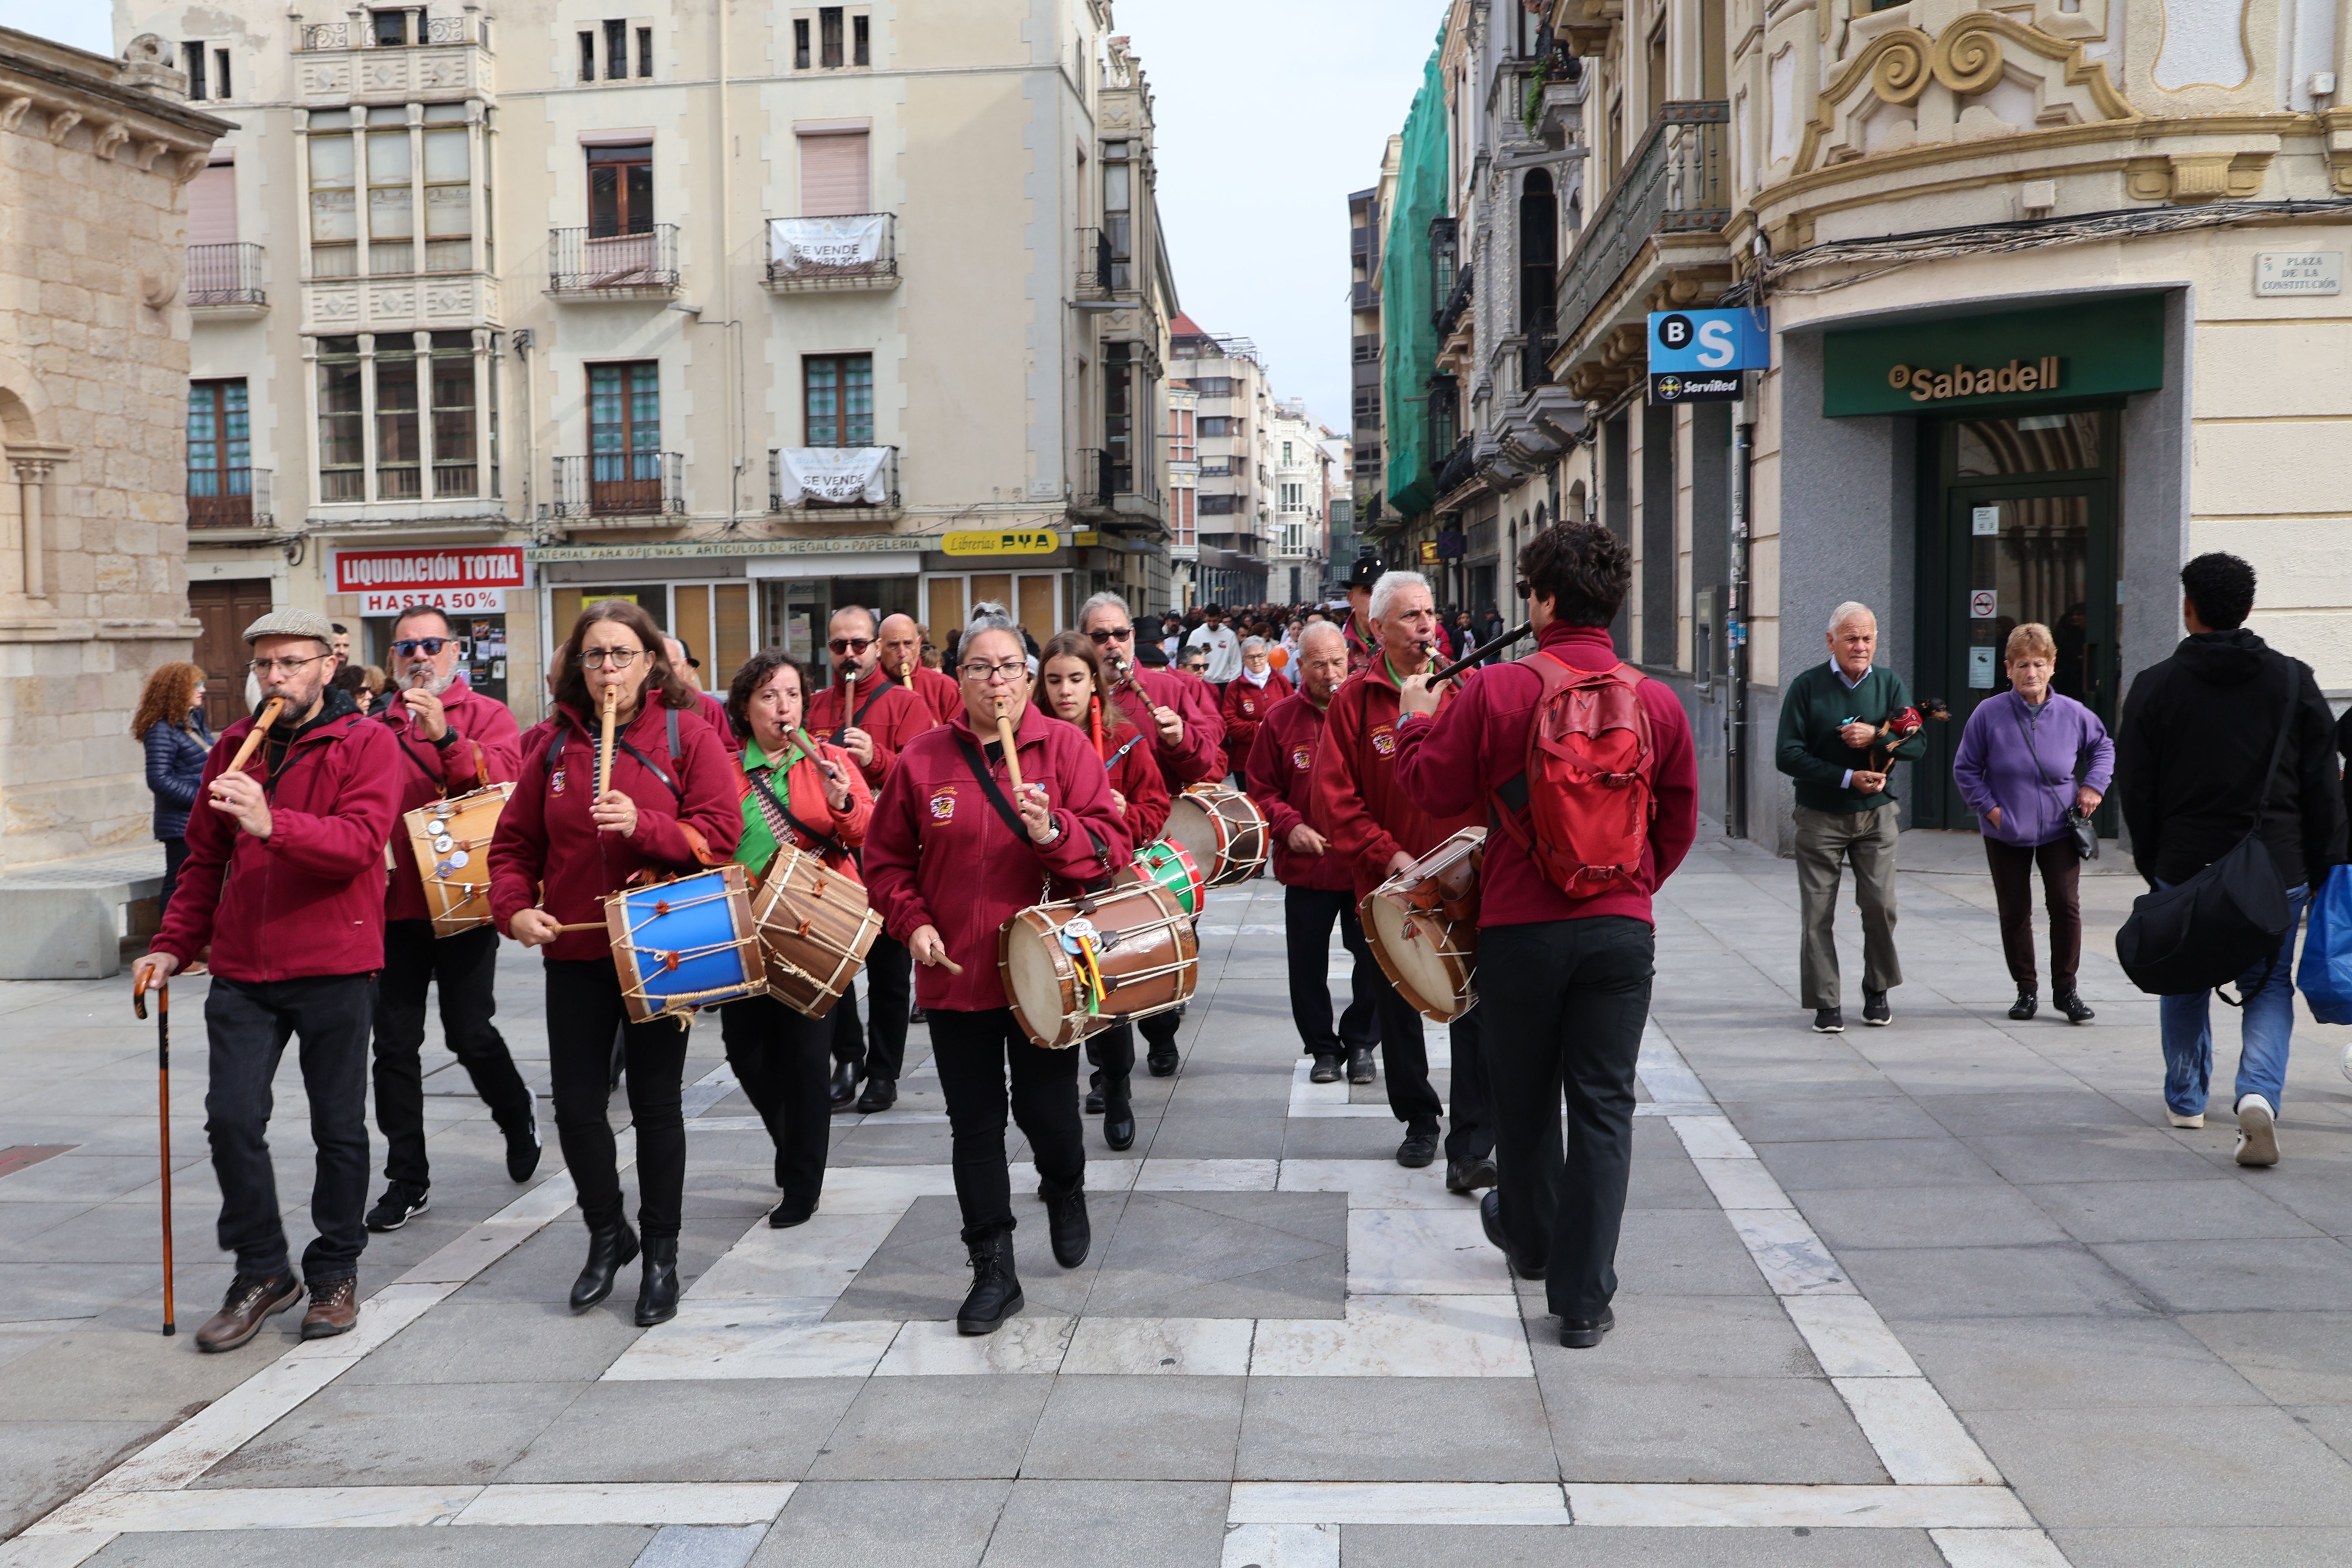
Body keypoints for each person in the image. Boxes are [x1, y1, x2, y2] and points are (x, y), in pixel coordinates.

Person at [1395, 520, 1698, 1348]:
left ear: (1544, 599)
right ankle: (1586, 1298)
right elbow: (1677, 823)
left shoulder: (1496, 691)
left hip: (1522, 926)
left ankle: (1529, 1241)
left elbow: (1430, 788)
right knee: (1605, 1107)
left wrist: (1417, 717)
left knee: (1525, 1101)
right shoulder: (1659, 699)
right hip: (1620, 931)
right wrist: (1625, 887)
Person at [132, 608, 403, 1352]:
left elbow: (357, 844)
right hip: (245, 970)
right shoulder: (231, 746)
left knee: (337, 1129)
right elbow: (202, 862)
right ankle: (261, 1269)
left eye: (290, 664)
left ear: (326, 667)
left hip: (337, 964)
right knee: (230, 1119)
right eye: (264, 667)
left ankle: (335, 1271)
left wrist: (271, 822)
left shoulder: (367, 742)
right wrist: (171, 945)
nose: (275, 679)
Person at [863, 615, 1130, 1335]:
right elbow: (884, 861)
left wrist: (1054, 832)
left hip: (1045, 971)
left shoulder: (1066, 749)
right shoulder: (923, 760)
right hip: (956, 974)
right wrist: (912, 920)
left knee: (1047, 1112)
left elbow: (1111, 849)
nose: (997, 681)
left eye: (1010, 666)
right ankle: (992, 1267)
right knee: (974, 1126)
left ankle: (1066, 1186)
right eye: (980, 669)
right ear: (958, 679)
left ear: (1028, 674)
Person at [488, 600, 742, 1326]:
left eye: (621, 655)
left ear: (651, 662)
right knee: (575, 1107)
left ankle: (662, 1253)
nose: (607, 671)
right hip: (574, 946)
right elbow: (512, 848)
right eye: (594, 656)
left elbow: (723, 834)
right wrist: (514, 910)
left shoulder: (687, 734)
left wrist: (647, 826)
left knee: (658, 1107)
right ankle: (609, 1232)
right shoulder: (549, 746)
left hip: (663, 944)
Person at [2118, 552, 2345, 1161]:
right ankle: (2258, 1098)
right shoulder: (2295, 681)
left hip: (2186, 862)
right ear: (2247, 608)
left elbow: (2135, 788)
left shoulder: (2154, 685)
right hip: (2277, 865)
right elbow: (2324, 785)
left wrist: (2153, 862)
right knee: (2270, 982)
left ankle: (2187, 1100)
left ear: (2188, 608)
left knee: (2185, 974)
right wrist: (2323, 866)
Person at [1308, 568, 1496, 1187]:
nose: (1426, 627)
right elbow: (1335, 798)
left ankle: (1472, 1145)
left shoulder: (1465, 687)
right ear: (1376, 628)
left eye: (1430, 614)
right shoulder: (1354, 701)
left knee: (1473, 1009)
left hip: (1462, 883)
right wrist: (1388, 856)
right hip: (1390, 889)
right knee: (1399, 1007)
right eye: (1412, 617)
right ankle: (1419, 1120)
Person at [362, 605, 535, 1236]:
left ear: (455, 653)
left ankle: (516, 1112)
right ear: (391, 661)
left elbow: (504, 791)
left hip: (463, 905)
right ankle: (407, 1178)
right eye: (406, 648)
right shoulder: (373, 725)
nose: (419, 657)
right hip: (393, 910)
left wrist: (443, 739)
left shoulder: (488, 717)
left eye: (432, 645)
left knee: (469, 1032)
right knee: (394, 1048)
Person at [722, 650, 871, 1227]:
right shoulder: (729, 770)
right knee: (747, 1053)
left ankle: (803, 1183)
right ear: (745, 709)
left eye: (791, 695)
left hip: (815, 920)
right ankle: (793, 1144)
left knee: (807, 1059)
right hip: (749, 925)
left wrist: (845, 802)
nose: (783, 707)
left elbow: (867, 831)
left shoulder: (829, 759)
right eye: (768, 696)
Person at [1078, 592, 1226, 1077]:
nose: (1113, 645)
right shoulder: (1071, 694)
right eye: (1100, 636)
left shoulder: (1170, 688)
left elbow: (1209, 763)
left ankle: (1162, 1033)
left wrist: (1180, 739)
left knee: (1163, 948)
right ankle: (1106, 1067)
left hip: (1158, 842)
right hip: (1092, 851)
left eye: (1121, 634)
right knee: (1097, 956)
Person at [1036, 629, 1171, 1151]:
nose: (1065, 691)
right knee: (1053, 1001)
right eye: (1054, 681)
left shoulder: (1127, 738)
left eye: (1076, 678)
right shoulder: (1025, 743)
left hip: (1106, 887)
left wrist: (1121, 817)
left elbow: (1156, 809)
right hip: (1047, 893)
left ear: (1095, 681)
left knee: (1108, 1000)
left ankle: (1115, 1085)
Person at [1773, 602, 1927, 1033]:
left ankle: (1877, 989)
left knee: (1880, 905)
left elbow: (1917, 745)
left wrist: (1879, 735)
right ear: (1831, 641)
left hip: (1876, 817)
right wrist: (1846, 777)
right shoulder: (1808, 687)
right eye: (1851, 638)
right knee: (1818, 913)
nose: (1860, 646)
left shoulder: (1889, 685)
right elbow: (1787, 754)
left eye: (1867, 639)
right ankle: (1826, 1003)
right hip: (1821, 816)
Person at [1951, 622, 2115, 1025]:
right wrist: (1992, 812)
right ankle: (2026, 989)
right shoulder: (1988, 714)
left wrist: (2093, 787)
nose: (2031, 673)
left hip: (2060, 827)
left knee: (2064, 905)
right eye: (2022, 664)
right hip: (2007, 829)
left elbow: (2103, 747)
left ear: (2053, 666)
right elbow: (1966, 769)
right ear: (2007, 668)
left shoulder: (2074, 714)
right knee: (2015, 911)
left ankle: (2067, 990)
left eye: (2039, 664)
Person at [1246, 622, 1384, 1085]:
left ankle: (1362, 1041)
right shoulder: (1281, 719)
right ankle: (1323, 1048)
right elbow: (1261, 789)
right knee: (1307, 965)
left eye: (1338, 662)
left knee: (1374, 959)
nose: (1331, 673)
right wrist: (1290, 825)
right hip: (1307, 867)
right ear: (1300, 665)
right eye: (1319, 664)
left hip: (1363, 865)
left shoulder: (1369, 712)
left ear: (1352, 661)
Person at [808, 606, 931, 1113]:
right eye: (840, 647)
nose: (851, 655)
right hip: (832, 853)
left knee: (888, 971)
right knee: (830, 965)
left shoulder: (906, 703)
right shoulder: (815, 706)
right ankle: (849, 1060)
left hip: (888, 854)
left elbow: (928, 775)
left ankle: (884, 1073)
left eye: (860, 644)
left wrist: (876, 758)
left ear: (878, 647)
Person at [134, 661, 212, 926]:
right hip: (180, 824)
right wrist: (202, 800)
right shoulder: (160, 730)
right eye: (196, 685)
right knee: (179, 884)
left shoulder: (193, 722)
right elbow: (159, 779)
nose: (203, 690)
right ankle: (168, 948)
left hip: (201, 819)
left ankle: (198, 942)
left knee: (202, 884)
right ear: (177, 690)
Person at [1221, 635, 1292, 784]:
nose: (1257, 661)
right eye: (1251, 657)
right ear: (1243, 659)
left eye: (1260, 656)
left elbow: (1293, 714)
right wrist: (1259, 728)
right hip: (1245, 759)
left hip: (1278, 756)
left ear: (1267, 656)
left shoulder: (1281, 681)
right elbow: (1229, 722)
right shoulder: (1235, 687)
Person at [663, 636, 742, 754]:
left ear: (684, 667)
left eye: (673, 665)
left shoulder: (710, 708)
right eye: (660, 665)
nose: (666, 672)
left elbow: (728, 754)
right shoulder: (638, 708)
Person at [880, 611, 962, 723]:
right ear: (879, 648)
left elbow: (964, 735)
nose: (903, 653)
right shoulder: (868, 688)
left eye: (908, 644)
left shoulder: (945, 687)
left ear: (918, 645)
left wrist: (938, 735)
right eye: (893, 645)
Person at [1339, 557, 1381, 674]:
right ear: (1351, 598)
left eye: (1382, 593)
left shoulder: (1407, 643)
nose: (1376, 600)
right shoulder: (1337, 646)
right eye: (1368, 592)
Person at [1187, 604, 1243, 688]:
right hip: (1203, 682)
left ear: (1220, 618)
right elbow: (1189, 659)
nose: (1212, 624)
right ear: (1205, 617)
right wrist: (1199, 653)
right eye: (1209, 621)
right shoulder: (1196, 634)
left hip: (1224, 682)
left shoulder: (1230, 635)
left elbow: (1236, 661)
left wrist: (1233, 683)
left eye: (1215, 621)